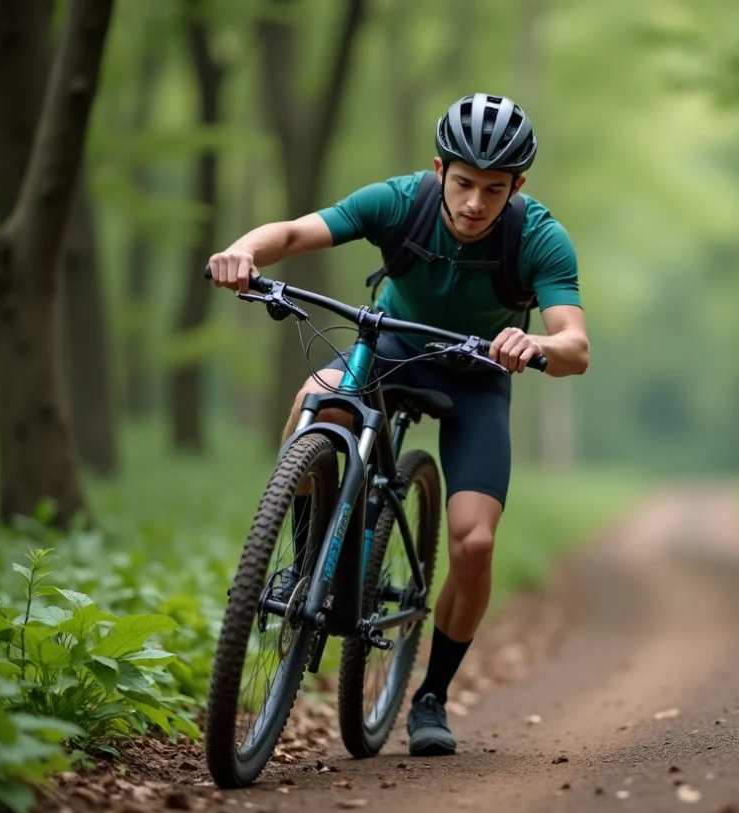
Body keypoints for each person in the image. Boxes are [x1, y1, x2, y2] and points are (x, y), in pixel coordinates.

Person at [206, 93, 589, 756]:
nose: (474, 204)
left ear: (517, 187)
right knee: (314, 402)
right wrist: (242, 250)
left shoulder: (537, 236)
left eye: (493, 190)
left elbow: (574, 345)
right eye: (463, 184)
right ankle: (312, 558)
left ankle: (431, 695)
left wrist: (536, 347)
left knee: (473, 545)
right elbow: (297, 233)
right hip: (388, 349)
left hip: (475, 376)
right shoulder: (399, 201)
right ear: (439, 168)